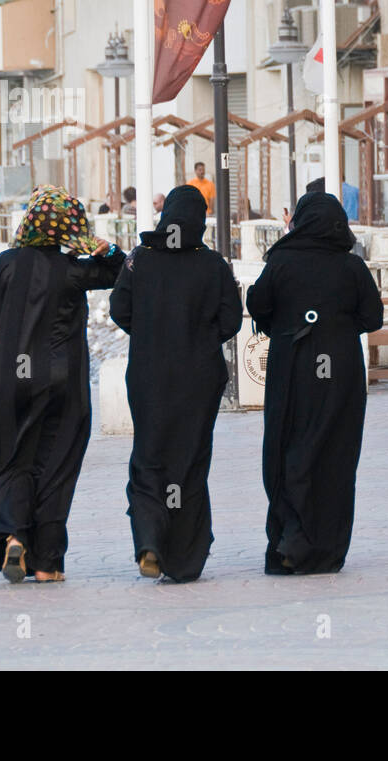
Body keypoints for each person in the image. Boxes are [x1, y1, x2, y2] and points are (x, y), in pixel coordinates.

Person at [0, 186, 125, 582]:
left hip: (12, 381)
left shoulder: (5, 264)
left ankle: (14, 535)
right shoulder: (73, 268)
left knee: (12, 458)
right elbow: (121, 271)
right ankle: (47, 563)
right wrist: (100, 248)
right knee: (56, 462)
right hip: (62, 381)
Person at [245, 192, 383, 574]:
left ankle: (292, 537)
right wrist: (337, 327)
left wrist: (289, 325)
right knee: (334, 452)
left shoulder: (282, 261)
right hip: (340, 369)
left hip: (293, 366)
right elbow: (372, 317)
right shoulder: (350, 267)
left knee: (289, 446)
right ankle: (323, 548)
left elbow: (257, 304)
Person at [110, 185, 242, 582]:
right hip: (198, 379)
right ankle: (183, 557)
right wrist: (198, 341)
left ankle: (150, 539)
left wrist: (152, 333)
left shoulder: (140, 260)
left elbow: (120, 309)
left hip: (149, 376)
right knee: (189, 461)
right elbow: (231, 320)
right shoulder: (213, 265)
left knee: (150, 456)